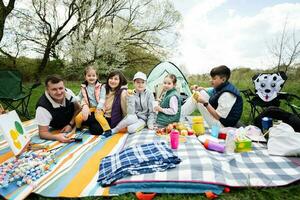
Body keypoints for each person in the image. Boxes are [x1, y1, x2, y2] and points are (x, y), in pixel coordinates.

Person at [35, 75, 81, 143]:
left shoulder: (68, 92)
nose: (59, 92)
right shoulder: (42, 107)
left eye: (61, 88)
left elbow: (78, 109)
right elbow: (42, 133)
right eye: (54, 89)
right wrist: (57, 137)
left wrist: (70, 124)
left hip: (73, 123)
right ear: (47, 90)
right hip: (58, 127)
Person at [74, 66, 112, 135]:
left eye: (93, 75)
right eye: (89, 75)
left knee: (98, 116)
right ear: (85, 77)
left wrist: (99, 107)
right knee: (78, 117)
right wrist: (74, 99)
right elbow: (79, 96)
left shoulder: (101, 87)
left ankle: (107, 129)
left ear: (97, 76)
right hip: (89, 107)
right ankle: (78, 128)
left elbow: (102, 98)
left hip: (99, 107)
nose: (91, 77)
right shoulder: (84, 87)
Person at [101, 70, 128, 137]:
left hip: (112, 119)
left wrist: (125, 123)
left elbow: (125, 111)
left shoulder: (122, 92)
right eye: (111, 78)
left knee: (96, 130)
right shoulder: (104, 88)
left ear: (120, 81)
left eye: (116, 79)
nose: (112, 81)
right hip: (101, 115)